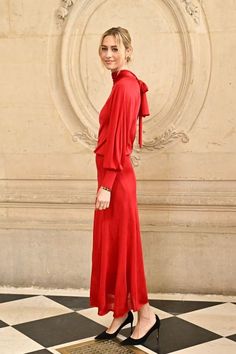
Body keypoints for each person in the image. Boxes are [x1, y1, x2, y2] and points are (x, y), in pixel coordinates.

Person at [89, 27, 160, 346]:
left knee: (125, 249)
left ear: (128, 51)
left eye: (115, 48)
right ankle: (121, 312)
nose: (108, 54)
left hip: (116, 182)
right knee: (115, 248)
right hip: (113, 179)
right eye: (104, 48)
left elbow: (121, 140)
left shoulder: (126, 87)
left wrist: (106, 185)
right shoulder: (121, 84)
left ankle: (146, 315)